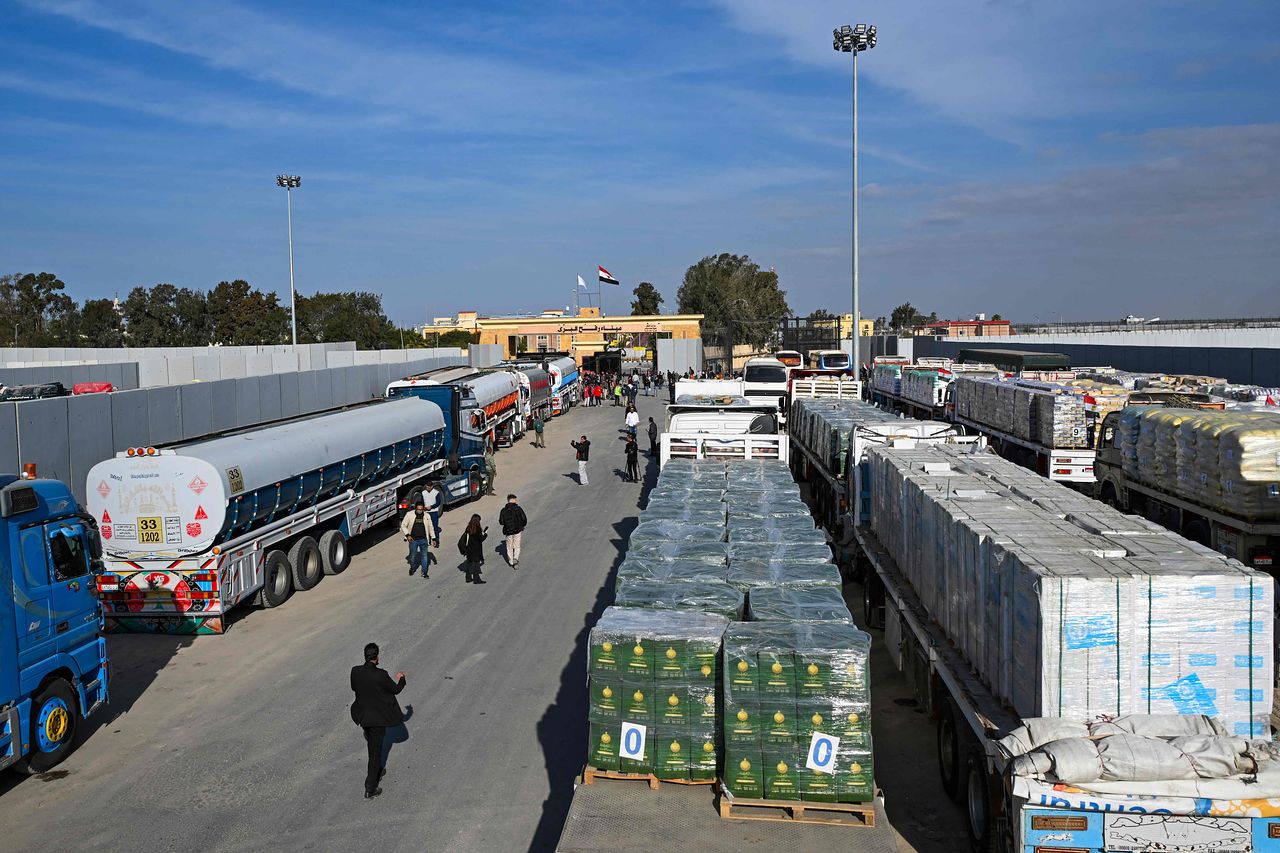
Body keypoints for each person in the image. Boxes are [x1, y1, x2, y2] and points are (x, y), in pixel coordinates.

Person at [350, 642, 406, 800]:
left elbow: (355, 688)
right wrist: (402, 678)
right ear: (376, 657)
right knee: (375, 753)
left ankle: (378, 770)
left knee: (373, 746)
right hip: (377, 720)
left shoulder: (355, 671)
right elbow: (396, 689)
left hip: (362, 717)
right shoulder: (381, 674)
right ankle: (370, 787)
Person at [399, 499, 431, 579]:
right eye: (418, 509)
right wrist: (407, 535)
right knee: (412, 556)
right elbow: (403, 525)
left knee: (424, 556)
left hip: (424, 540)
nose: (420, 511)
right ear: (415, 508)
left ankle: (424, 572)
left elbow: (431, 527)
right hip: (413, 540)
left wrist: (433, 538)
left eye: (421, 509)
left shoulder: (427, 516)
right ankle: (413, 567)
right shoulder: (409, 514)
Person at [498, 494, 528, 568]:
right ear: (514, 500)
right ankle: (516, 558)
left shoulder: (503, 510)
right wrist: (522, 526)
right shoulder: (518, 508)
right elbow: (524, 518)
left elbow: (501, 522)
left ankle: (511, 562)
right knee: (517, 546)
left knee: (509, 547)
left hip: (508, 531)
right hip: (517, 530)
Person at [458, 514, 488, 584]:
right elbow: (481, 539)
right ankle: (476, 580)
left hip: (469, 550)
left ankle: (468, 578)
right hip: (476, 550)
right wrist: (485, 534)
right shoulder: (478, 529)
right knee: (476, 565)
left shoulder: (468, 528)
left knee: (470, 563)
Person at [421, 482, 442, 546]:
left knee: (435, 527)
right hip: (426, 513)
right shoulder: (423, 493)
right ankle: (428, 541)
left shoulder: (436, 493)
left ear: (432, 486)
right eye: (426, 487)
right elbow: (422, 501)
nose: (427, 488)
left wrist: (431, 507)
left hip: (434, 512)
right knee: (426, 527)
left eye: (428, 487)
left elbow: (438, 502)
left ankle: (436, 541)